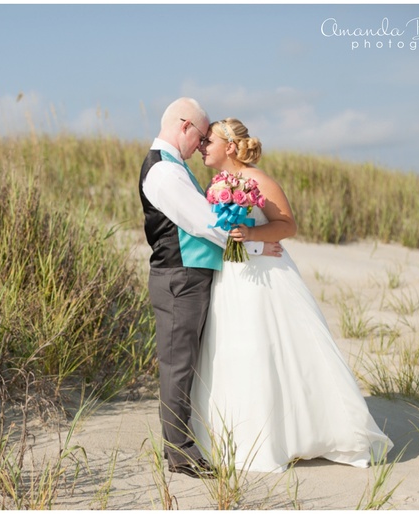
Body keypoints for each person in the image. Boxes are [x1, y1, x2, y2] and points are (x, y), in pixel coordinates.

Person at [190, 118, 393, 473]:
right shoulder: (215, 184)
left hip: (265, 279)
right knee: (234, 350)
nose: (202, 145)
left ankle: (297, 435)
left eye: (209, 140)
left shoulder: (258, 179)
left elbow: (287, 225)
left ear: (231, 147)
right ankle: (238, 435)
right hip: (232, 278)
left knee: (267, 348)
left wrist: (251, 236)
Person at [138, 100, 283, 479]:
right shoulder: (163, 172)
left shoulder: (174, 167)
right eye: (200, 136)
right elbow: (205, 224)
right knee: (178, 366)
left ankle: (187, 443)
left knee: (187, 364)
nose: (201, 145)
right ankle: (181, 454)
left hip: (190, 277)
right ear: (185, 127)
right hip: (178, 279)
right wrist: (255, 246)